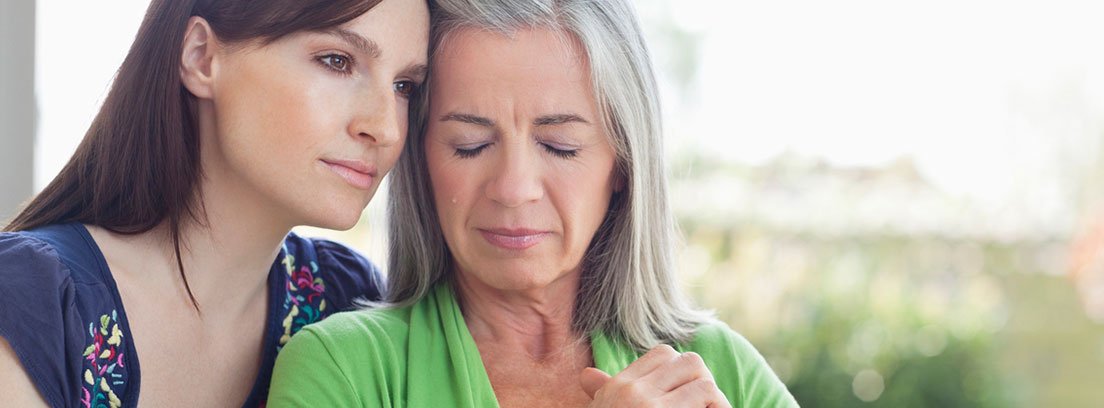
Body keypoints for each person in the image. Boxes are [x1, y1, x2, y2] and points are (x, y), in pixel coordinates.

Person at [267, 0, 797, 406]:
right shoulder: (341, 369)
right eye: (470, 145)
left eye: (559, 146)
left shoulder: (719, 367)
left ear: (622, 165)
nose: (514, 187)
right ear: (422, 158)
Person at [0, 0, 428, 406]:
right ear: (201, 56)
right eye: (337, 60)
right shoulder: (33, 304)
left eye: (405, 86)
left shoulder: (347, 301)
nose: (386, 127)